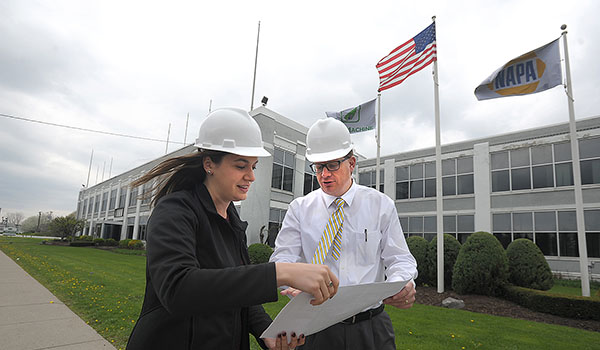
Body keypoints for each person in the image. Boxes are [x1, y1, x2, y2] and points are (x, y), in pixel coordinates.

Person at [126, 108, 339, 350]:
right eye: (241, 166)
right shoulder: (174, 210)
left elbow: (240, 291)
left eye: (253, 167)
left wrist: (266, 333)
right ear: (209, 164)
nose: (251, 177)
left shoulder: (232, 219)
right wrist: (279, 272)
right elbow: (178, 289)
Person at [269, 118, 418, 350]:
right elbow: (281, 260)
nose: (324, 174)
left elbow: (400, 259)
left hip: (371, 327)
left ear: (352, 163)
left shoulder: (381, 206)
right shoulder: (299, 209)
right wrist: (294, 281)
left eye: (332, 165)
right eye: (318, 167)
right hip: (315, 326)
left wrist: (402, 285)